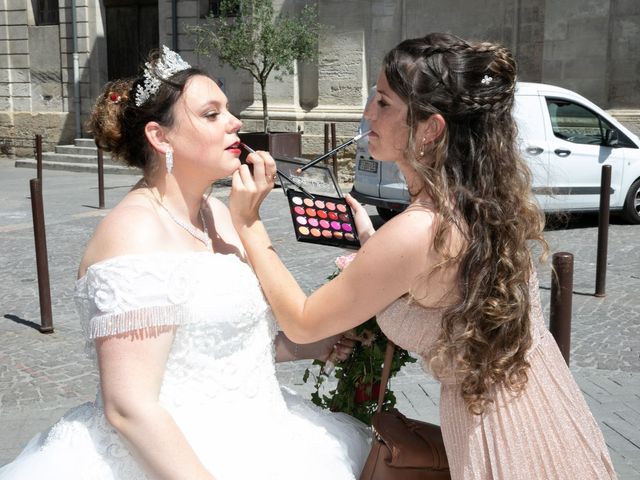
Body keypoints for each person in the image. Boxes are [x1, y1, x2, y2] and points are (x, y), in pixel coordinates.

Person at [229, 33, 618, 479]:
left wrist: (248, 224)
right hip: (547, 410)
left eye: (384, 103)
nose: (366, 113)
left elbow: (302, 321)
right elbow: (437, 275)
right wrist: (377, 247)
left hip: (501, 438)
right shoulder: (475, 202)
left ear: (431, 128)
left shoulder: (420, 228)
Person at [0, 46, 370, 480]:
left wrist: (311, 345)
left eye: (228, 111)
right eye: (212, 114)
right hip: (173, 457)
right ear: (161, 137)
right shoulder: (133, 233)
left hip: (261, 435)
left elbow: (222, 349)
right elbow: (129, 408)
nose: (235, 123)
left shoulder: (218, 214)